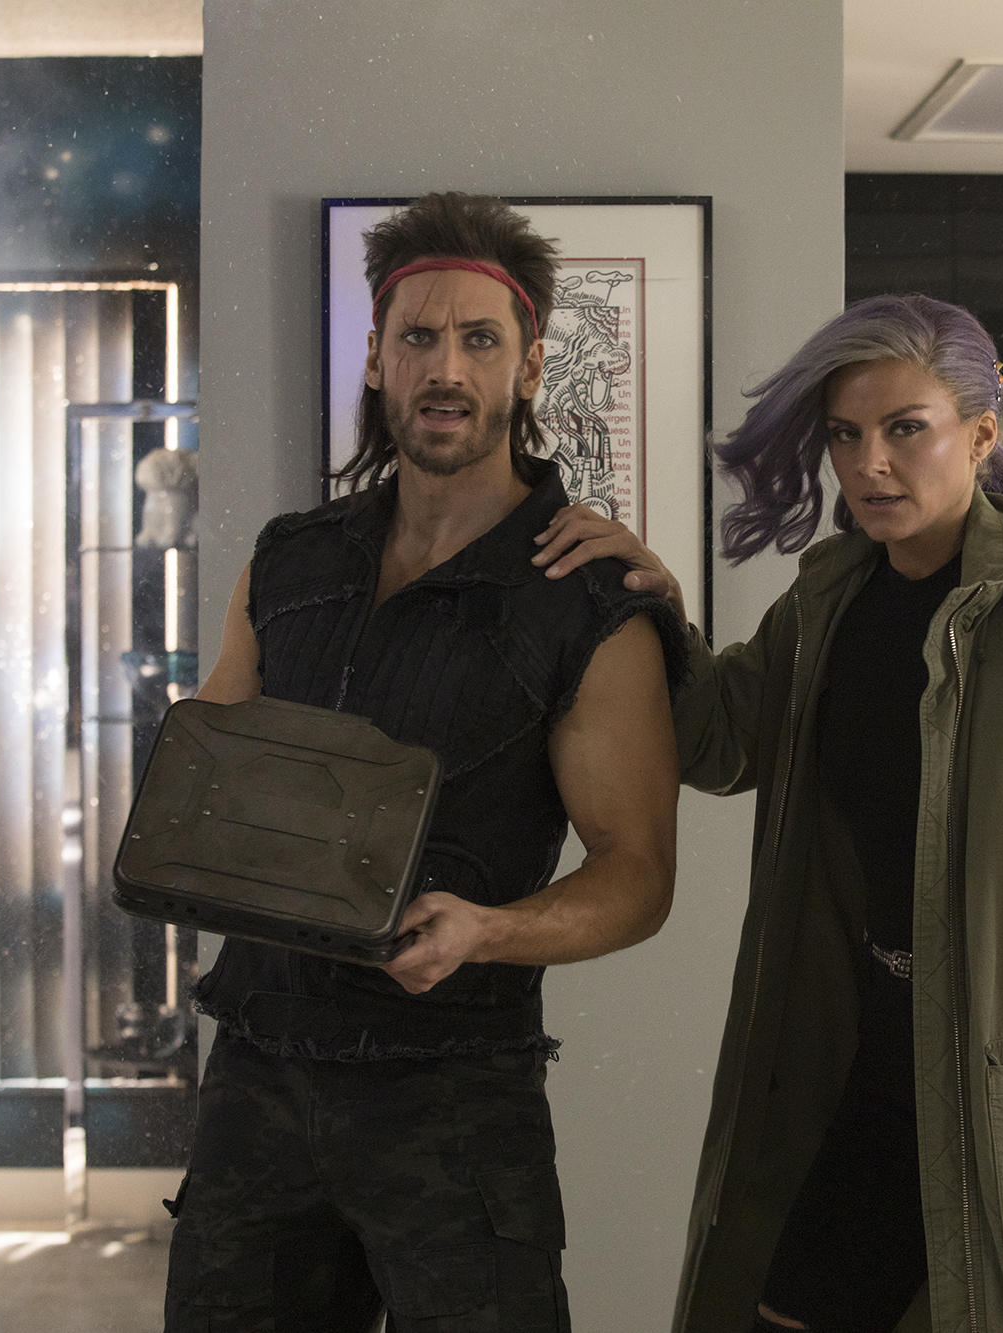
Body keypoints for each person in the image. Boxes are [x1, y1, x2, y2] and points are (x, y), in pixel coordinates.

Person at [534, 293, 1003, 1333]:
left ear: (979, 436)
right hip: (872, 1053)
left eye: (905, 429)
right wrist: (655, 608)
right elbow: (721, 741)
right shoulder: (832, 597)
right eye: (845, 435)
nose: (870, 465)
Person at [164, 192, 685, 1331]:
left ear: (529, 367)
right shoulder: (289, 561)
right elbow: (210, 779)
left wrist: (486, 931)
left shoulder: (588, 601)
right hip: (256, 1072)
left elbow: (639, 874)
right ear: (376, 358)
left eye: (479, 339)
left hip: (451, 1097)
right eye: (419, 336)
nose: (446, 367)